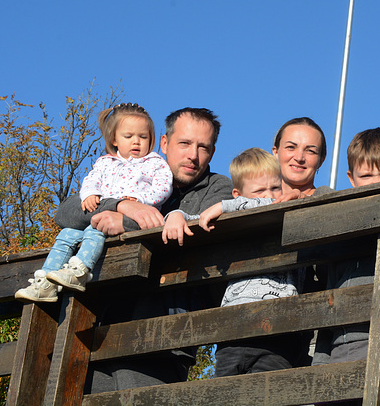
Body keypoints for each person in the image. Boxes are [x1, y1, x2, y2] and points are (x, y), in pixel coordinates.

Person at [75, 107, 233, 393]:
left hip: (163, 336)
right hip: (103, 324)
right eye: (184, 143)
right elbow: (66, 212)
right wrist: (122, 205)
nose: (193, 155)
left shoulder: (218, 188)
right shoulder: (135, 172)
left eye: (203, 147)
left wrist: (126, 224)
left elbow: (191, 237)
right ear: (164, 143)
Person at [165, 147, 305, 376]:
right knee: (226, 392)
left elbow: (267, 206)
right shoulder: (231, 216)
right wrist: (176, 215)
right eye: (259, 191)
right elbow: (200, 219)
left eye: (275, 188)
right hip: (234, 330)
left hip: (278, 333)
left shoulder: (287, 213)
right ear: (238, 196)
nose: (269, 196)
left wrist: (224, 206)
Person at [15, 103, 172, 303]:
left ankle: (80, 270)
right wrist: (89, 194)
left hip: (122, 219)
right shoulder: (105, 162)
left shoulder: (154, 162)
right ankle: (46, 281)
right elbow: (91, 180)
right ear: (114, 139)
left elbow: (163, 187)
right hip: (101, 213)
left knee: (94, 229)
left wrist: (142, 200)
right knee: (66, 234)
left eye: (143, 137)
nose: (136, 142)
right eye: (128, 136)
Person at [313, 128, 380, 372]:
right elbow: (329, 296)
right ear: (351, 179)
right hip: (342, 349)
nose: (376, 183)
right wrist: (320, 363)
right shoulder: (341, 231)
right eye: (366, 176)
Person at [272, 117, 333, 197]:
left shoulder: (333, 203)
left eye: (310, 151)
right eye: (291, 147)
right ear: (276, 152)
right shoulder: (255, 202)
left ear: (321, 160)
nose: (299, 158)